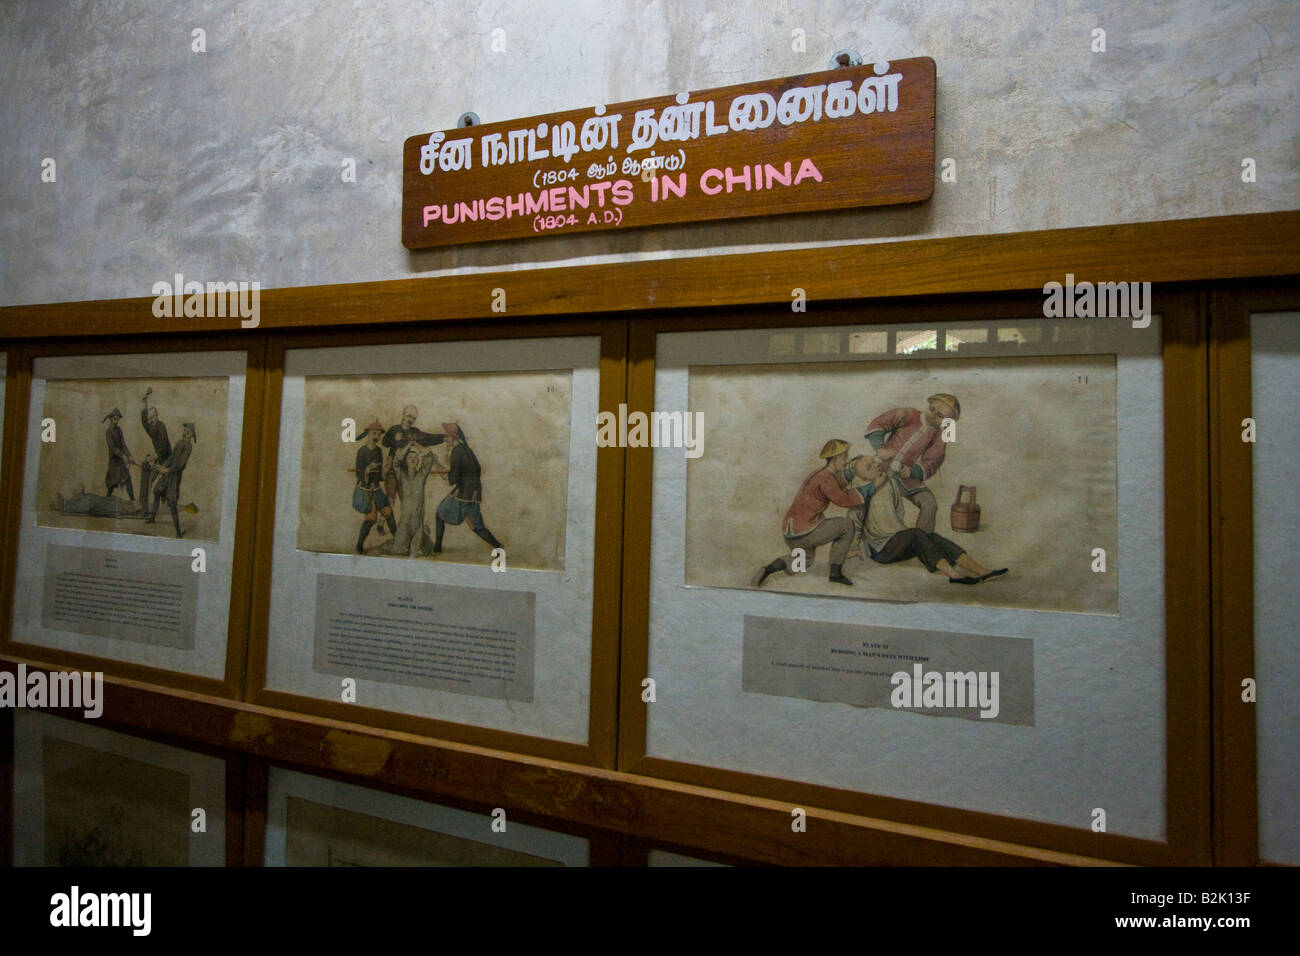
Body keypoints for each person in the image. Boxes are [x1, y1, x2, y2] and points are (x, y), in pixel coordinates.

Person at [852, 455, 1006, 583]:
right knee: (917, 534)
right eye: (869, 467)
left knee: (932, 537)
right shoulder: (859, 494)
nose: (875, 465)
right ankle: (953, 575)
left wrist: (899, 533)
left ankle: (982, 571)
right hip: (881, 550)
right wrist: (855, 547)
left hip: (898, 542)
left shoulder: (890, 482)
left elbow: (899, 510)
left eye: (872, 461)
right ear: (863, 477)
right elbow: (855, 522)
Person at [753, 439, 866, 588]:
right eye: (844, 457)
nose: (846, 461)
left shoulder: (819, 474)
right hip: (807, 531)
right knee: (846, 525)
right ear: (834, 458)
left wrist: (853, 471)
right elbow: (843, 500)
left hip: (792, 534)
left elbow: (838, 482)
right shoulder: (825, 478)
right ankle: (835, 573)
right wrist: (871, 488)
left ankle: (767, 570)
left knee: (803, 561)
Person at [863, 393, 961, 533]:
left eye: (940, 415)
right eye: (932, 409)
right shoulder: (908, 414)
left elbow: (932, 461)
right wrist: (880, 448)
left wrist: (912, 471)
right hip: (881, 469)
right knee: (877, 501)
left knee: (929, 503)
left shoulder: (941, 436)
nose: (933, 415)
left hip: (906, 478)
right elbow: (878, 424)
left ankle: (924, 543)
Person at [434, 422, 503, 555]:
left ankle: (436, 549)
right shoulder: (466, 449)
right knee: (476, 525)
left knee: (439, 514)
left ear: (453, 438)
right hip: (474, 494)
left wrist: (442, 472)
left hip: (463, 494)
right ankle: (499, 546)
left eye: (447, 437)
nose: (445, 440)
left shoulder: (456, 451)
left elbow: (452, 480)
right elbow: (475, 469)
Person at [382, 405, 446, 500]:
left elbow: (428, 438)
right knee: (389, 502)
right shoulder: (394, 429)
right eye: (409, 416)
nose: (410, 420)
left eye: (413, 418)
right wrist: (394, 439)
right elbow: (384, 442)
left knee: (406, 502)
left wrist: (444, 437)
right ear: (403, 415)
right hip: (392, 471)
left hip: (406, 473)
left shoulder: (414, 432)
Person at [352, 420, 396, 554]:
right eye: (374, 433)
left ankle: (399, 542)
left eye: (378, 433)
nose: (376, 435)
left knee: (388, 512)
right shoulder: (362, 451)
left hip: (376, 488)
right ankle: (359, 545)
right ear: (368, 434)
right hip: (366, 489)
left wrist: (385, 470)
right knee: (371, 519)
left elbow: (381, 475)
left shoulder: (378, 451)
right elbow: (358, 475)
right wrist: (367, 469)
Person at [390, 443, 440, 557]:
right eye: (410, 458)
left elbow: (428, 458)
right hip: (405, 521)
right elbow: (396, 462)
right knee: (398, 551)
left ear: (418, 461)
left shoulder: (421, 475)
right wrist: (408, 446)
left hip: (418, 522)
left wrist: (416, 444)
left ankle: (424, 536)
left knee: (416, 552)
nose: (412, 460)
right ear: (406, 461)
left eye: (415, 458)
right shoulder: (401, 475)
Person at [147, 422, 195, 537]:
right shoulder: (179, 443)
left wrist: (168, 470)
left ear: (192, 435)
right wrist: (163, 466)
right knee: (157, 492)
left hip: (175, 476)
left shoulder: (188, 447)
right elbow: (172, 457)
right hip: (167, 474)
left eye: (187, 432)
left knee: (172, 503)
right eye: (184, 431)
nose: (185, 433)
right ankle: (152, 518)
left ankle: (178, 532)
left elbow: (181, 464)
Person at [140, 388, 171, 518]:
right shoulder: (151, 427)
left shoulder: (161, 426)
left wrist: (152, 458)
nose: (150, 421)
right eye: (149, 419)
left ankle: (154, 510)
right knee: (151, 480)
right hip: (159, 459)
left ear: (157, 416)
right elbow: (143, 421)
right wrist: (144, 403)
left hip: (167, 460)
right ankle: (147, 510)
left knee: (161, 487)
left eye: (152, 418)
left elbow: (163, 448)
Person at [102, 408, 136, 499]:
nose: (116, 420)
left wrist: (130, 456)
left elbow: (123, 445)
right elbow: (113, 448)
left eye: (118, 419)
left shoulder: (119, 430)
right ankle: (106, 500)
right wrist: (123, 456)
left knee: (128, 480)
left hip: (121, 462)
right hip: (114, 462)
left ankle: (133, 500)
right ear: (111, 419)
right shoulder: (108, 432)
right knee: (111, 484)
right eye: (114, 418)